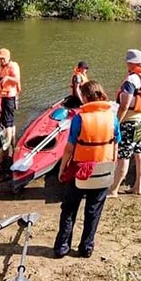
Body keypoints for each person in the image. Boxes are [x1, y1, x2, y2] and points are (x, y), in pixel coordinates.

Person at [54, 81, 121, 258]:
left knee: (69, 209)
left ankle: (62, 247)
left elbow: (69, 148)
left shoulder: (79, 119)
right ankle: (86, 248)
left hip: (80, 171)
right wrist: (112, 167)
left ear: (85, 97)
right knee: (93, 211)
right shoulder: (112, 118)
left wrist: (62, 169)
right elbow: (115, 145)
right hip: (103, 170)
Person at [109, 49, 141, 197]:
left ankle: (114, 190)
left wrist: (116, 122)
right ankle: (137, 186)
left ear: (130, 63)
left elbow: (124, 105)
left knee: (124, 155)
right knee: (139, 151)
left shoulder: (132, 80)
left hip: (131, 122)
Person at [0, 48, 21, 154]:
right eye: (0, 59)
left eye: (3, 59)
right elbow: (0, 83)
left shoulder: (13, 66)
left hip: (10, 96)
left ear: (8, 57)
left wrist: (8, 78)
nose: (1, 61)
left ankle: (8, 143)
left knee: (7, 119)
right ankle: (12, 138)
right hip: (3, 96)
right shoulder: (2, 68)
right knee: (6, 118)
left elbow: (17, 80)